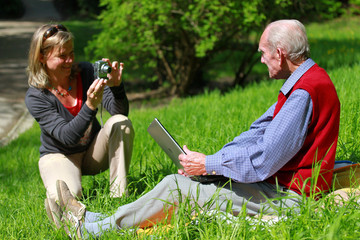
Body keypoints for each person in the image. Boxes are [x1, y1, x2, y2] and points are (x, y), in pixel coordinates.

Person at [53, 19, 340, 238]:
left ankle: (89, 229)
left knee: (178, 188)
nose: (261, 59)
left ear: (279, 53)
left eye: (263, 53)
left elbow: (265, 159)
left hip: (287, 196)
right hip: (276, 185)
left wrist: (211, 164)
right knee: (177, 183)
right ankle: (93, 221)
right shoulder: (306, 82)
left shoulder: (303, 92)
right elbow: (258, 132)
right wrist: (209, 165)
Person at [25, 24, 135, 217]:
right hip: (60, 155)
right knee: (68, 196)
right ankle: (61, 209)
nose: (69, 60)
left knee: (120, 123)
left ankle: (120, 199)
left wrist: (116, 87)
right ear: (41, 57)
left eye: (71, 53)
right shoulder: (36, 96)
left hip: (92, 151)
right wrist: (90, 105)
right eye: (62, 56)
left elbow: (120, 113)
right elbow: (67, 137)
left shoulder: (86, 72)